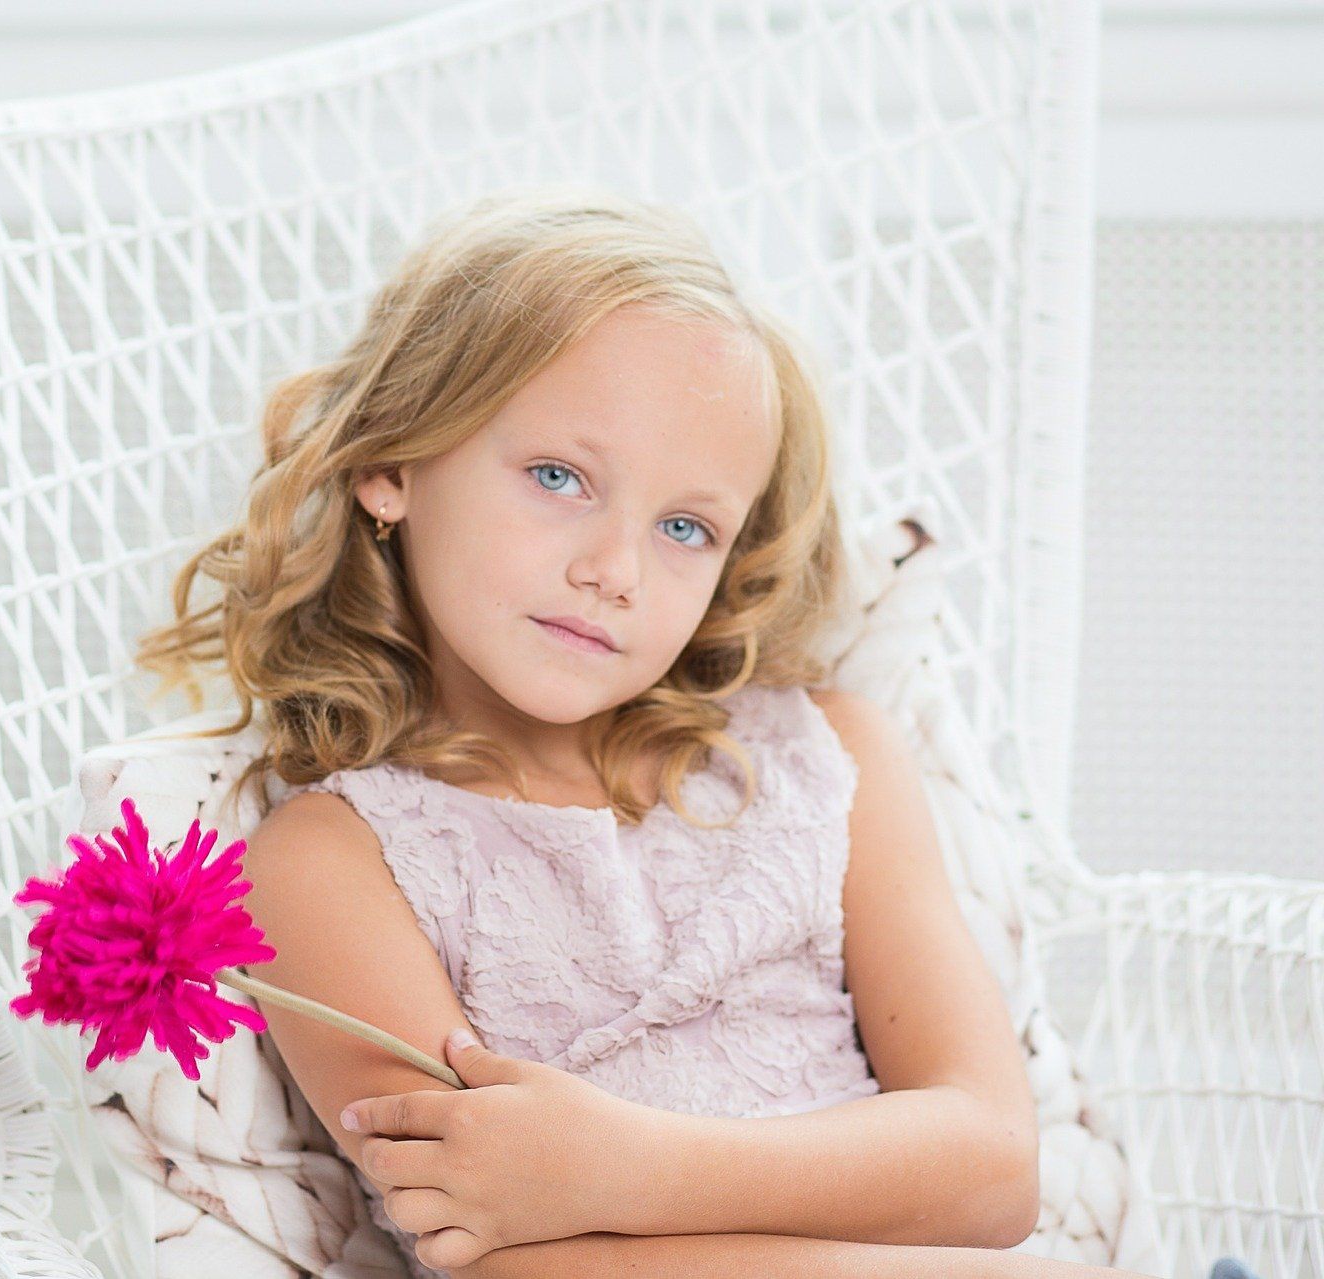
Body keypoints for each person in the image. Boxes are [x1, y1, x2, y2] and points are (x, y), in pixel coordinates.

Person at [130, 185, 1242, 1279]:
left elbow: (993, 1171)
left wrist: (624, 1166)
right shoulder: (332, 859)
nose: (615, 570)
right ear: (391, 462)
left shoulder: (826, 759)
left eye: (685, 526)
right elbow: (507, 1262)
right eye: (559, 477)